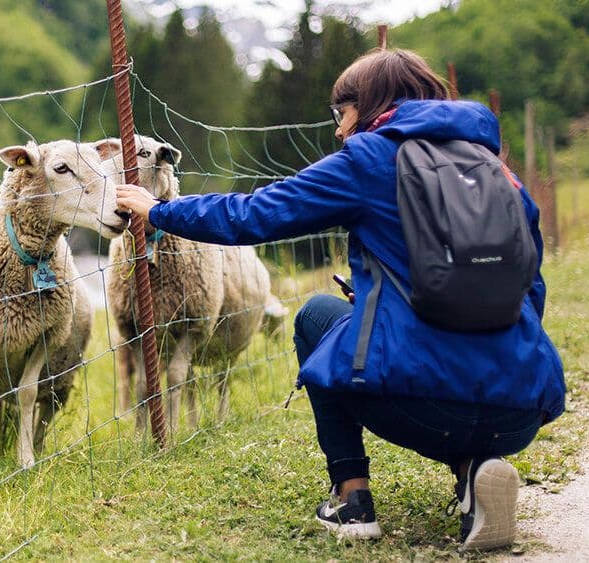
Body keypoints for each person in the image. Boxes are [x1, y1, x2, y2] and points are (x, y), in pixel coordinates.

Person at [115, 48, 564, 551]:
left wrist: (160, 212)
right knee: (440, 352)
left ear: (370, 105)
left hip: (420, 404)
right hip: (521, 407)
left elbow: (256, 213)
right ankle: (474, 472)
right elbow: (529, 286)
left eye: (341, 113)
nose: (337, 130)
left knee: (315, 318)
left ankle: (352, 500)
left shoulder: (369, 158)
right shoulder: (497, 169)